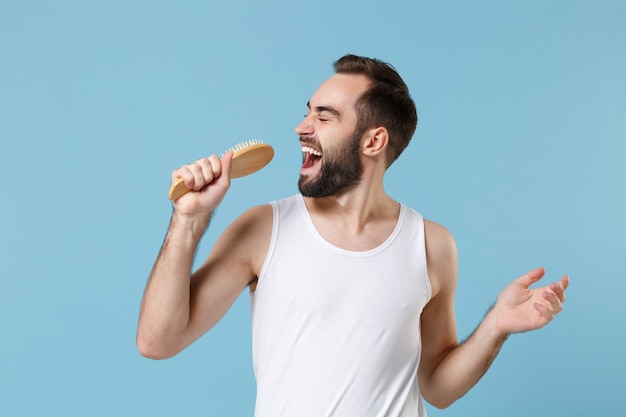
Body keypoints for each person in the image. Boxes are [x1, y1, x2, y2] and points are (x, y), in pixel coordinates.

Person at [137, 54, 569, 416]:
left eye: (324, 117)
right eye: (308, 111)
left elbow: (437, 387)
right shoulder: (263, 228)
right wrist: (188, 220)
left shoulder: (432, 245)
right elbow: (157, 342)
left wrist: (495, 325)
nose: (301, 127)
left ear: (373, 140)